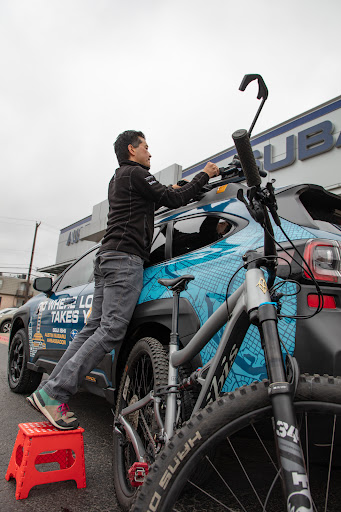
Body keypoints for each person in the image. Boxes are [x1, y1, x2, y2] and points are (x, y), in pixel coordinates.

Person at [27, 130, 219, 429]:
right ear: (132, 149)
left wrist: (182, 186)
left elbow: (160, 199)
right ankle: (54, 393)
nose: (150, 153)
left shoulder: (120, 178)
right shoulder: (137, 173)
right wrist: (204, 176)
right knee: (111, 331)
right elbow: (171, 197)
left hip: (107, 257)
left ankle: (48, 391)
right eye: (146, 146)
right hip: (124, 259)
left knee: (93, 329)